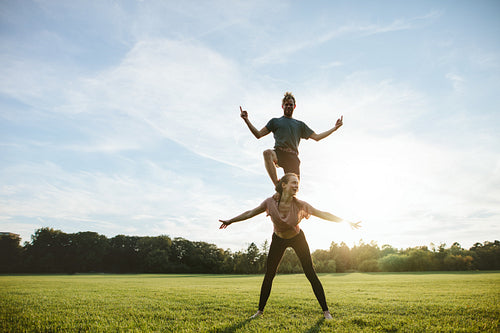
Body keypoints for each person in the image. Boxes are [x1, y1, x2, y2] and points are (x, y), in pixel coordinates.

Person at [219, 173, 361, 320]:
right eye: (293, 183)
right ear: (283, 185)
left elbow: (322, 214)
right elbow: (250, 213)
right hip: (278, 239)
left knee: (310, 272)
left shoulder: (300, 205)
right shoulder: (270, 202)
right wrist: (231, 221)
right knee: (269, 274)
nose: (296, 186)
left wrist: (346, 221)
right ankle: (259, 311)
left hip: (297, 238)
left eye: (297, 184)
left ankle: (326, 312)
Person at [240, 92, 343, 185]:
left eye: (291, 104)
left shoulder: (300, 125)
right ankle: (277, 185)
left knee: (292, 190)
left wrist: (334, 128)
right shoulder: (275, 121)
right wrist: (246, 120)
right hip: (279, 153)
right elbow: (258, 134)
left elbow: (317, 137)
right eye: (286, 104)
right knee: (267, 153)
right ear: (282, 106)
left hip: (293, 157)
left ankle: (286, 196)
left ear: (294, 106)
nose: (288, 106)